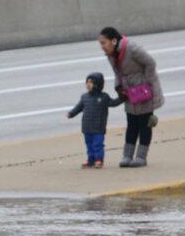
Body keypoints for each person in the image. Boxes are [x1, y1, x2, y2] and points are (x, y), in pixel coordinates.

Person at [99, 26, 164, 168]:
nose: (102, 46)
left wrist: (146, 83)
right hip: (129, 93)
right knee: (131, 124)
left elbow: (150, 63)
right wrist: (119, 87)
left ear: (114, 41)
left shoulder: (132, 48)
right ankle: (127, 156)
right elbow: (118, 73)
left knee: (145, 124)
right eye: (101, 43)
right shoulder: (111, 56)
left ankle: (141, 157)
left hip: (145, 92)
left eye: (104, 43)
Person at [67, 72, 122, 169]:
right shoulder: (84, 97)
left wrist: (123, 97)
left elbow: (113, 103)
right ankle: (90, 160)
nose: (88, 84)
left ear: (98, 84)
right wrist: (71, 114)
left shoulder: (104, 97)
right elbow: (79, 107)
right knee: (89, 145)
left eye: (91, 82)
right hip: (86, 127)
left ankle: (99, 160)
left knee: (98, 144)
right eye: (87, 82)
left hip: (98, 127)